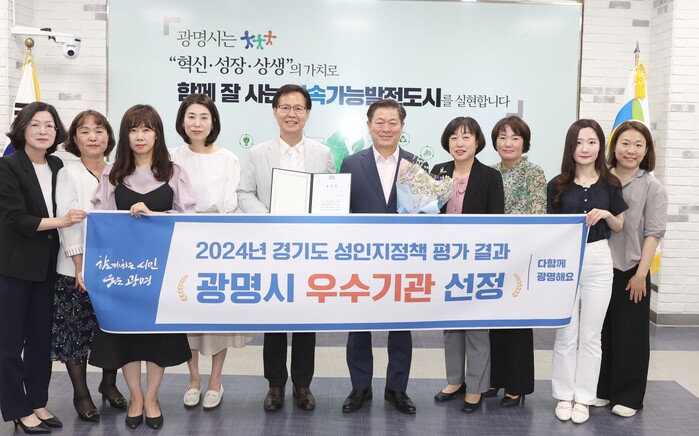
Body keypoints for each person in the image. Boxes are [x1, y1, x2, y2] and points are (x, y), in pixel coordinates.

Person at [88, 104, 196, 430]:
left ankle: (152, 397)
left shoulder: (174, 173)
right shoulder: (112, 174)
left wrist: (157, 216)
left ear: (157, 135)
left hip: (162, 273)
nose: (140, 136)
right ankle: (135, 396)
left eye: (147, 129)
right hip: (122, 274)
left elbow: (190, 220)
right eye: (133, 130)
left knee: (156, 340)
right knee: (128, 339)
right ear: (125, 135)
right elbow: (100, 223)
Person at [237, 84, 335, 411]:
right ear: (275, 111)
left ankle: (303, 385)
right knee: (275, 318)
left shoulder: (322, 153)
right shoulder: (258, 153)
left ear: (308, 113)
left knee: (307, 319)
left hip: (310, 248)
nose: (291, 114)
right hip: (273, 246)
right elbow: (244, 193)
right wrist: (268, 216)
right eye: (285, 107)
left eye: (298, 108)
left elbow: (329, 194)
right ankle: (275, 385)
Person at [0, 102, 85, 433]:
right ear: (22, 128)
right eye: (35, 124)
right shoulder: (8, 166)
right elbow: (15, 218)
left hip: (48, 266)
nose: (43, 131)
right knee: (9, 343)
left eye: (49, 125)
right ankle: (17, 408)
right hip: (14, 268)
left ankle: (37, 401)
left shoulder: (57, 164)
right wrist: (62, 221)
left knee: (40, 340)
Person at [339, 99, 425, 415]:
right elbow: (342, 211)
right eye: (380, 121)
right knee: (359, 327)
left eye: (392, 122)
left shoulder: (416, 164)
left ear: (402, 126)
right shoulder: (351, 163)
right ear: (369, 125)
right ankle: (360, 387)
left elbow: (425, 212)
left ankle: (397, 389)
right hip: (361, 258)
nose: (386, 128)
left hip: (403, 259)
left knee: (401, 327)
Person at [170, 93, 251, 410]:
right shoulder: (171, 157)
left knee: (216, 313)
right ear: (182, 122)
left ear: (213, 121)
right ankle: (194, 380)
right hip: (181, 243)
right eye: (191, 116)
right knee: (187, 312)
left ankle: (216, 381)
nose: (197, 123)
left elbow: (231, 205)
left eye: (204, 117)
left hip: (218, 244)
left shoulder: (228, 158)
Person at [548, 119, 627, 424]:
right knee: (566, 332)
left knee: (591, 335)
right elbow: (550, 228)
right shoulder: (557, 184)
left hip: (598, 259)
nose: (585, 148)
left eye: (592, 142)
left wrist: (606, 214)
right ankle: (564, 395)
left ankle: (584, 398)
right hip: (565, 261)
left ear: (600, 146)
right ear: (570, 147)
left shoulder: (611, 184)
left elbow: (619, 226)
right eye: (579, 142)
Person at [51, 110, 125, 423]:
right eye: (84, 131)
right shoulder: (69, 173)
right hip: (75, 268)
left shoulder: (119, 172)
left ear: (109, 137)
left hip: (114, 267)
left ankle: (109, 384)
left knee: (112, 330)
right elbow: (67, 222)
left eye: (99, 131)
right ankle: (81, 394)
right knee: (75, 333)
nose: (93, 137)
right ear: (74, 139)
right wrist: (81, 267)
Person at [430, 116, 504, 413]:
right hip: (444, 260)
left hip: (476, 261)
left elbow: (496, 223)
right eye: (454, 137)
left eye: (466, 137)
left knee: (476, 327)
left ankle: (475, 387)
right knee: (450, 325)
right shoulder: (437, 172)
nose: (459, 143)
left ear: (477, 142)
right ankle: (454, 381)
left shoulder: (490, 177)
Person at [596, 121, 667, 418]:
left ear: (647, 150)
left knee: (630, 335)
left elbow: (653, 233)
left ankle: (628, 396)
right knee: (601, 332)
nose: (631, 150)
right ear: (614, 146)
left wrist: (641, 274)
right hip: (598, 267)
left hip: (631, 271)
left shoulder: (652, 186)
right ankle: (602, 389)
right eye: (625, 143)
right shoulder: (600, 178)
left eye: (639, 145)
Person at [487, 116, 546, 407]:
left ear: (525, 143)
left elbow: (538, 215)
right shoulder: (490, 172)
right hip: (492, 257)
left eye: (515, 138)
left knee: (517, 324)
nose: (508, 143)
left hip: (521, 256)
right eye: (502, 137)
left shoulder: (533, 172)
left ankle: (517, 385)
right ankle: (495, 379)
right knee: (494, 322)